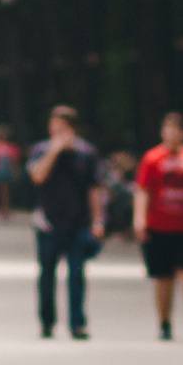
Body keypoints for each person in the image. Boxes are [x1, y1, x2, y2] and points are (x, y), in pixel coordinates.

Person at [135, 113, 183, 342]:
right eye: (167, 130)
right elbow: (143, 189)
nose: (171, 134)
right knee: (163, 276)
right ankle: (164, 322)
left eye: (176, 130)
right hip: (160, 225)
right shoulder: (152, 158)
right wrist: (140, 218)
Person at [28, 107, 105, 341]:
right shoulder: (40, 150)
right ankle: (47, 322)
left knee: (77, 276)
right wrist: (53, 152)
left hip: (78, 223)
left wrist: (98, 219)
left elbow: (94, 189)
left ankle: (77, 323)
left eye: (62, 129)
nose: (57, 133)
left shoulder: (86, 154)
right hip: (47, 223)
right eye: (54, 128)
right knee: (46, 275)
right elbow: (37, 176)